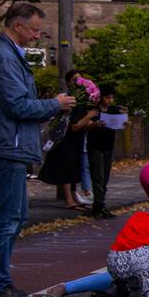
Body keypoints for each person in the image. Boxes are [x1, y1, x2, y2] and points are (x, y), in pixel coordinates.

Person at [0, 2, 77, 297]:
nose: (37, 36)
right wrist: (54, 104)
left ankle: (1, 280)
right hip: (7, 148)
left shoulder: (10, 56)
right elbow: (16, 105)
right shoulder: (4, 58)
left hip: (13, 146)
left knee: (15, 217)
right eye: (34, 30)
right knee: (7, 218)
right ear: (17, 25)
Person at [38, 70, 99, 211]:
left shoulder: (81, 100)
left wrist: (95, 123)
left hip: (76, 140)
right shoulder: (68, 100)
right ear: (68, 82)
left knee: (74, 167)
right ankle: (69, 199)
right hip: (66, 139)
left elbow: (83, 124)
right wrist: (90, 116)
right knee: (66, 168)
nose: (78, 82)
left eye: (80, 79)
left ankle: (74, 196)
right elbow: (75, 126)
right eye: (74, 79)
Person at [86, 84, 125, 219]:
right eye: (107, 97)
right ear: (101, 97)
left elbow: (122, 123)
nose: (110, 100)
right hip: (95, 146)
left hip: (109, 146)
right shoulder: (93, 110)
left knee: (105, 177)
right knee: (98, 176)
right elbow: (86, 125)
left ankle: (99, 205)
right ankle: (99, 206)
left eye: (112, 98)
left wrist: (124, 121)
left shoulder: (114, 110)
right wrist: (96, 124)